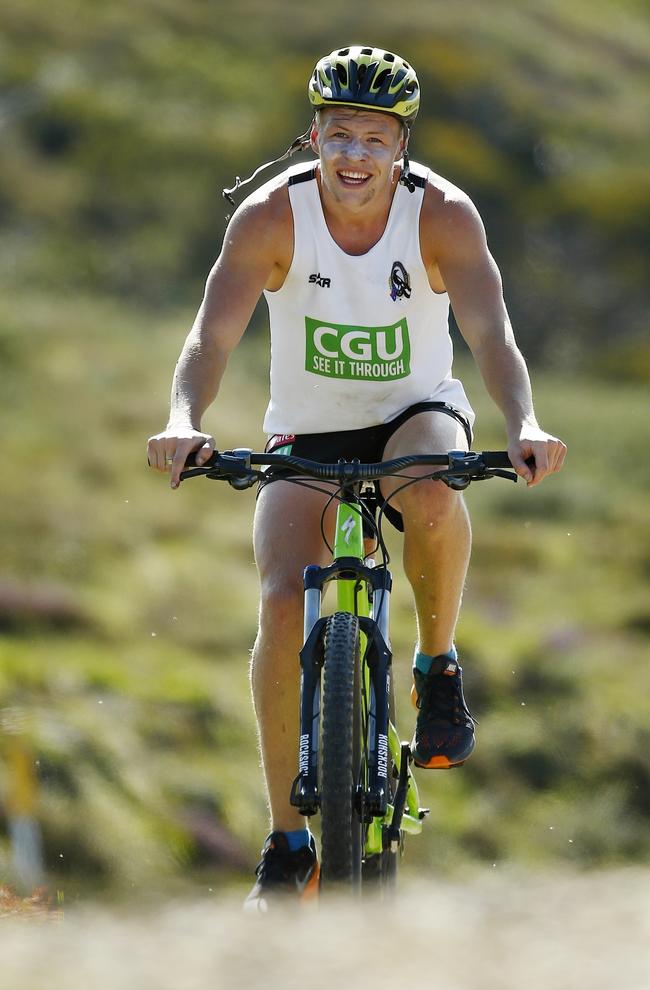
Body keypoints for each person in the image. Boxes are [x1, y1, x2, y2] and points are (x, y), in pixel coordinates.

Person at [147, 45, 566, 908]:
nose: (355, 157)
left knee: (434, 489)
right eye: (340, 135)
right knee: (277, 598)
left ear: (400, 149)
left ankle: (438, 666)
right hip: (306, 430)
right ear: (314, 137)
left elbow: (492, 335)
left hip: (414, 414)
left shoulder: (444, 216)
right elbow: (210, 338)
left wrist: (524, 422)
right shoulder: (270, 218)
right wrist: (184, 421)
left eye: (375, 139)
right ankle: (286, 840)